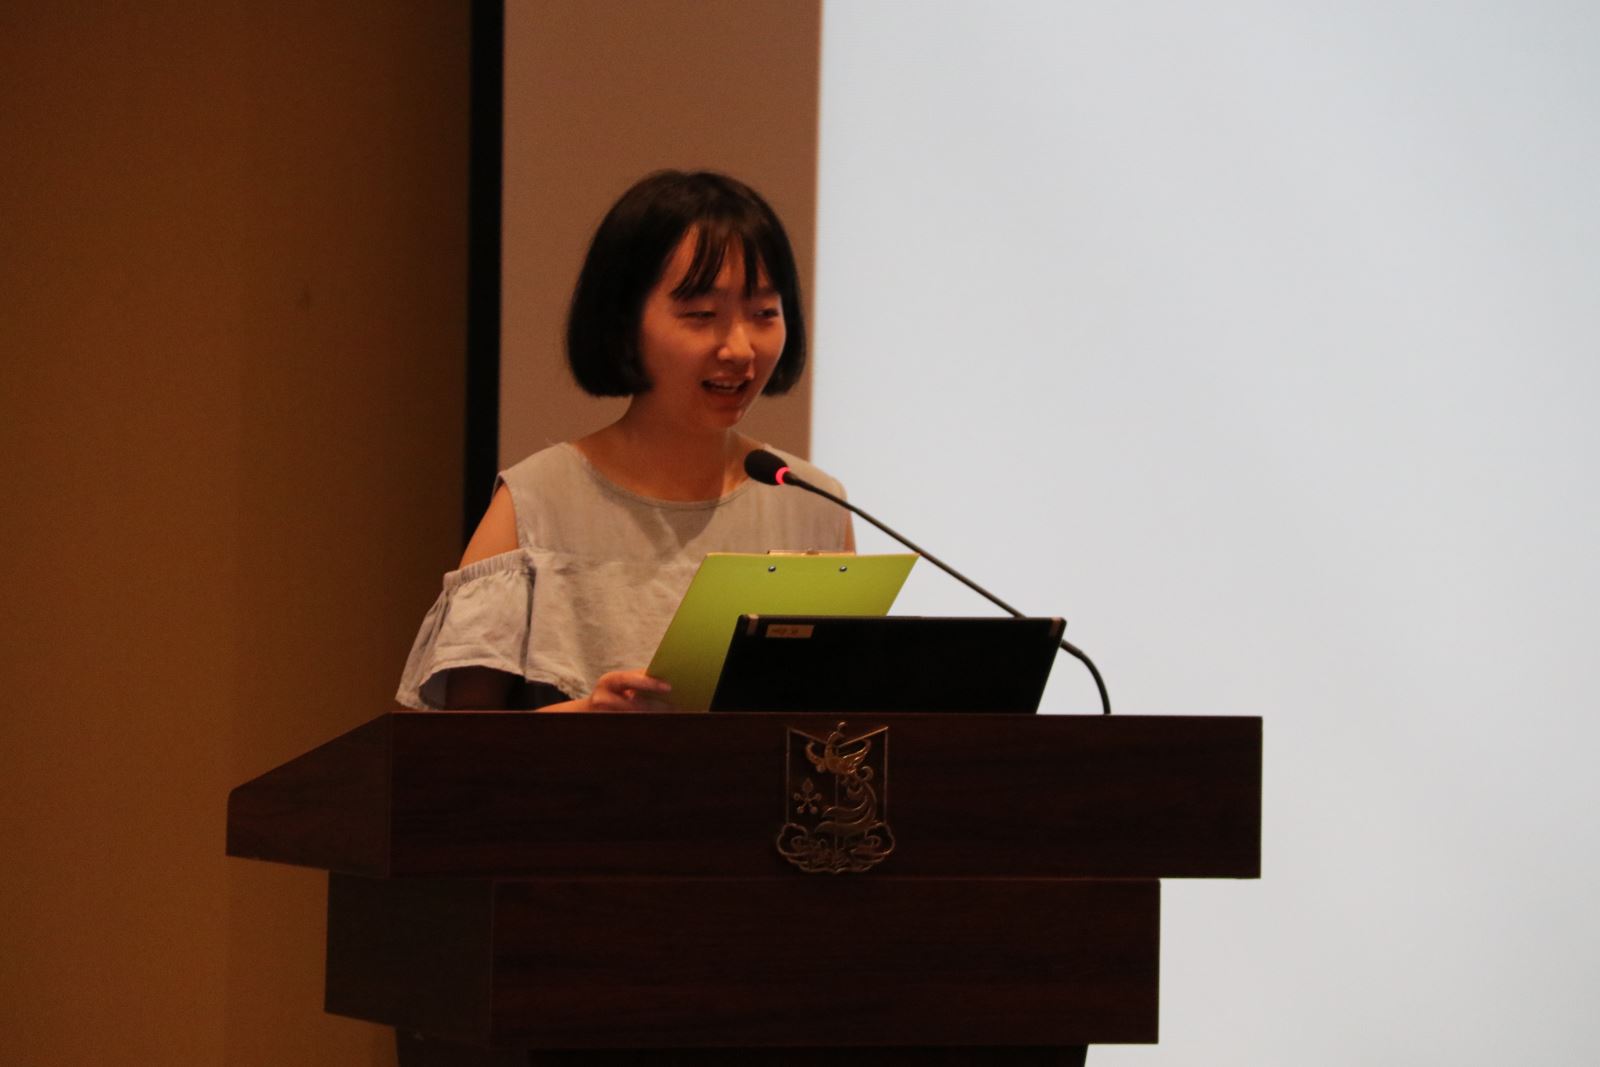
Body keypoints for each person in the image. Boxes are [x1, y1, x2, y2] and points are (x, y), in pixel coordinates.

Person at [397, 170, 853, 713]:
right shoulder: (535, 505)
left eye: (764, 314)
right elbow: (457, 748)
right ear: (622, 322)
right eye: (702, 315)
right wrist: (587, 715)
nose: (739, 348)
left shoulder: (811, 503)